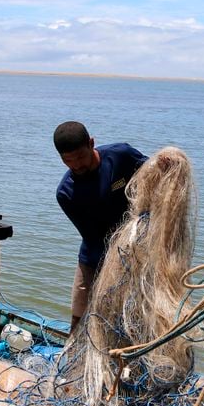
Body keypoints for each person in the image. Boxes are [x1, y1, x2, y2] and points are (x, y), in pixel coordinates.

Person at [53, 121, 147, 331]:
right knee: (81, 317)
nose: (76, 165)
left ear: (91, 143)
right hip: (94, 257)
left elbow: (152, 174)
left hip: (137, 248)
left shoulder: (121, 155)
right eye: (68, 161)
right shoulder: (66, 193)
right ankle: (74, 357)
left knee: (134, 318)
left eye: (80, 157)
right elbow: (93, 237)